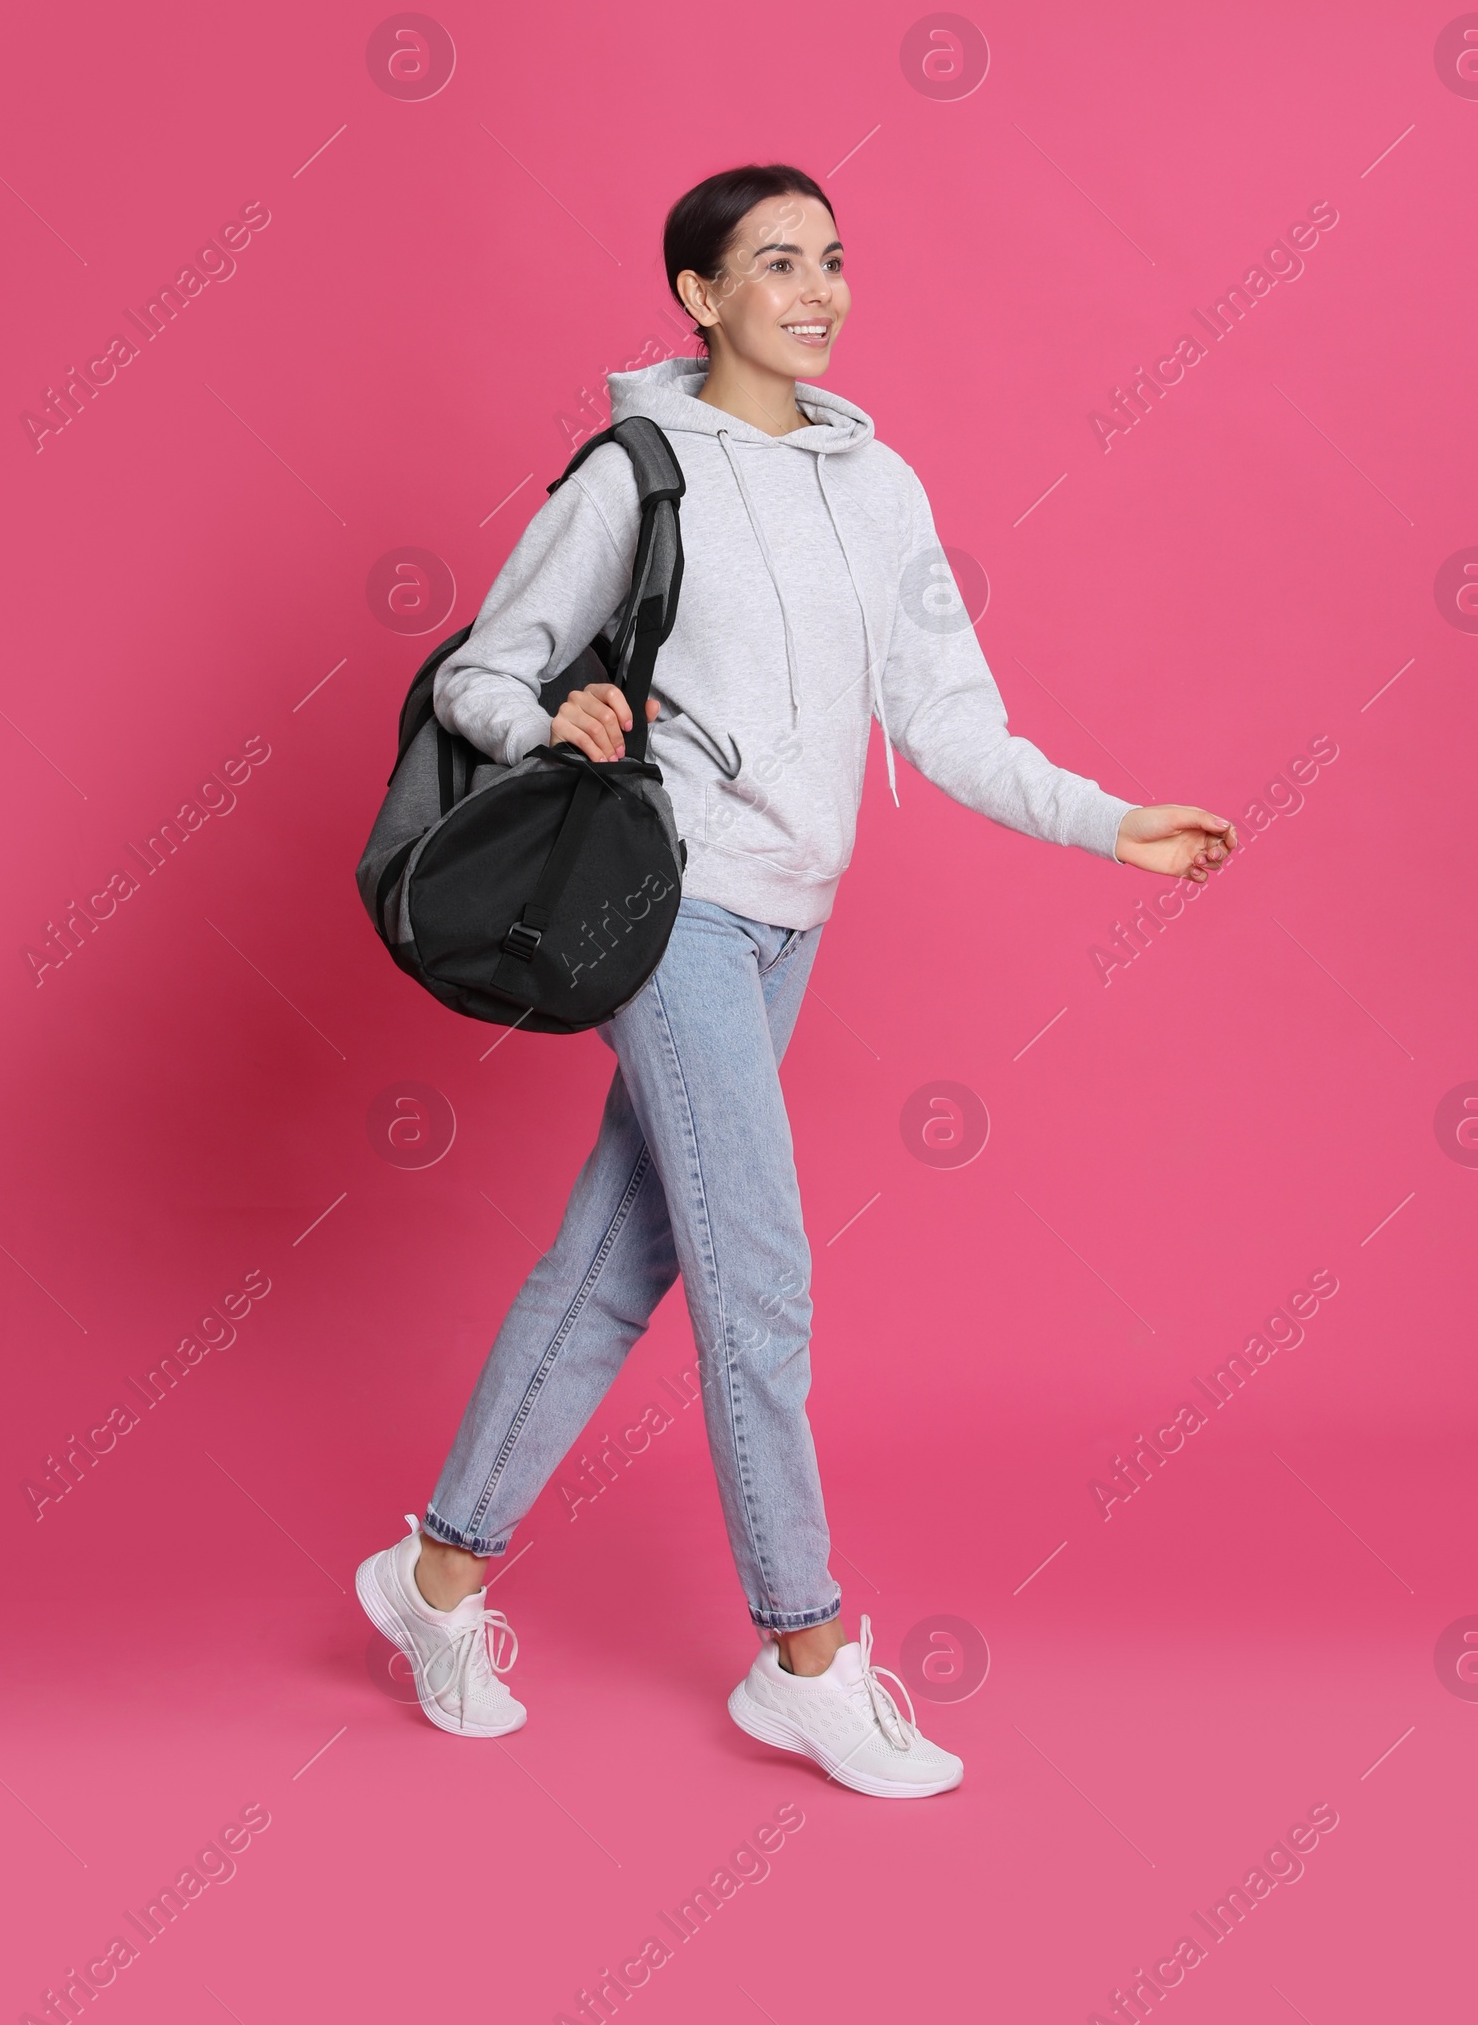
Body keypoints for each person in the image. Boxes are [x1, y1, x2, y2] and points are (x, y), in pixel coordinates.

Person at [355, 162, 1235, 1797]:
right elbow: (483, 665)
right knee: (759, 1278)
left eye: (831, 259)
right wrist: (550, 718)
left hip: (790, 922)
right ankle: (806, 1651)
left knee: (616, 1264)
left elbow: (951, 720)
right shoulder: (638, 468)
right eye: (775, 263)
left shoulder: (880, 485)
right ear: (699, 296)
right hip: (667, 901)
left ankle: (434, 1576)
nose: (816, 289)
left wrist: (1109, 821)